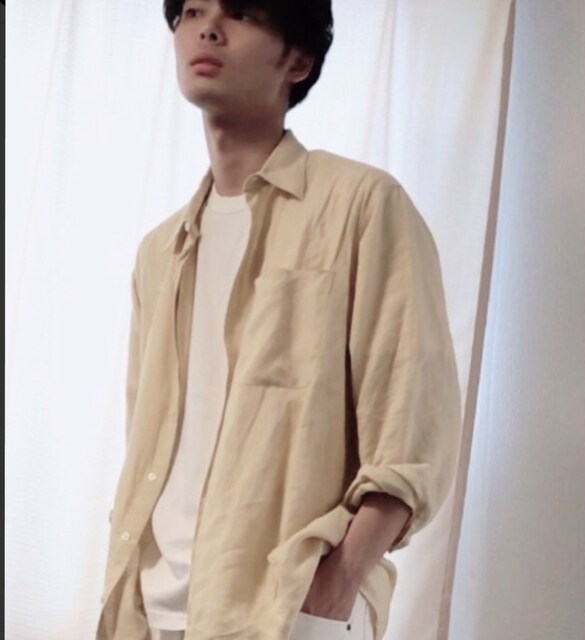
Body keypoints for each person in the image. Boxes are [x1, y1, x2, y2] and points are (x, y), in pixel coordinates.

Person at [96, 1, 462, 639]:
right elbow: (147, 441)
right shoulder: (161, 253)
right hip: (153, 611)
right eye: (191, 11)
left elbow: (413, 432)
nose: (207, 28)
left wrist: (337, 581)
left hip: (283, 611)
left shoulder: (361, 206)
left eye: (240, 13)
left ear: (298, 60)